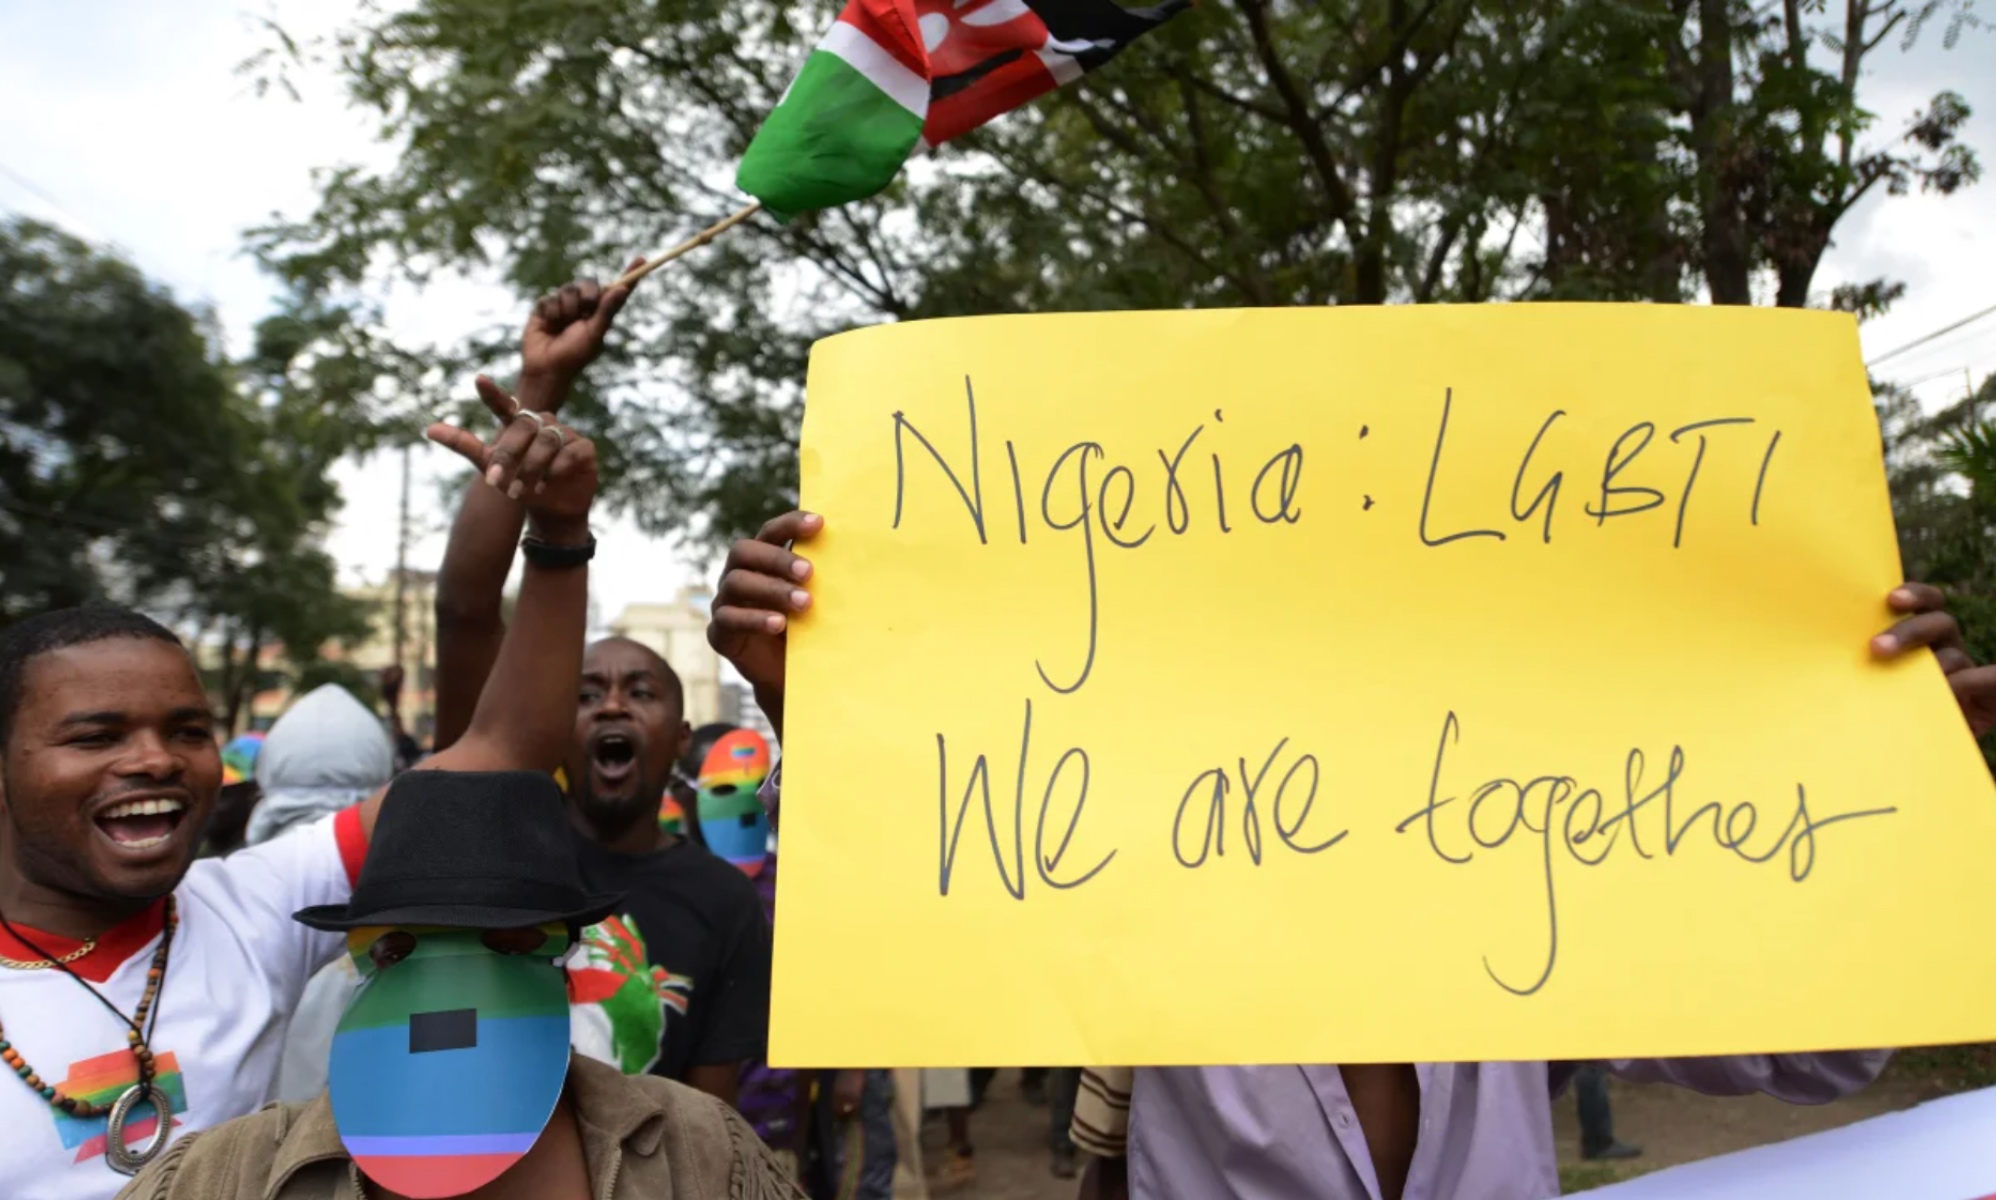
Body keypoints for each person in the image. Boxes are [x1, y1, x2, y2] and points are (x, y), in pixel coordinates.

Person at [709, 513, 1996, 1200]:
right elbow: (919, 936)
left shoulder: (1534, 887)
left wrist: (1910, 782)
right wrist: (813, 704)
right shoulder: (1131, 891)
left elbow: (1822, 1051)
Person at [0, 405, 600, 1200]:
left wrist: (558, 538)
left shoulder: (251, 911)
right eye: (94, 737)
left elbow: (502, 747)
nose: (153, 760)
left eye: (187, 729)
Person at [112, 767, 805, 1200]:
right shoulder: (221, 1178)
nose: (454, 993)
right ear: (362, 961)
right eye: (402, 948)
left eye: (505, 944)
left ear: (564, 957)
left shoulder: (700, 1152)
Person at [432, 267, 771, 1104]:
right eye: (585, 694)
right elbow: (468, 611)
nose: (612, 705)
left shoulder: (725, 902)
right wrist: (540, 391)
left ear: (682, 741)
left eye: (640, 692)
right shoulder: (498, 837)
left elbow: (707, 1120)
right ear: (548, 723)